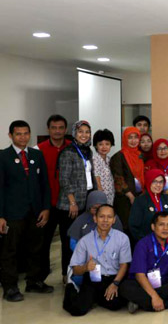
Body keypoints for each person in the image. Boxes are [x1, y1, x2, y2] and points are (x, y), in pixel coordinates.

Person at [0, 120, 53, 302]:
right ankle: (10, 287)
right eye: (18, 134)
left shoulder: (37, 155)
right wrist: (1, 216)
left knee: (35, 248)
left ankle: (34, 282)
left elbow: (45, 184)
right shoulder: (3, 156)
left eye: (26, 133)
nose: (23, 137)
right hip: (12, 213)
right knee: (10, 251)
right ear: (10, 136)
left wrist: (46, 208)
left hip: (35, 212)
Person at [120, 212, 168, 313]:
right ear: (153, 227)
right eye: (161, 224)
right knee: (125, 288)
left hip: (163, 281)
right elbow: (139, 275)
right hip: (143, 283)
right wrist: (154, 296)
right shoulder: (142, 244)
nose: (165, 228)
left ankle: (140, 302)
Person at [64, 203, 130, 316]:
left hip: (114, 278)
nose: (105, 220)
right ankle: (71, 289)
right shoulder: (84, 241)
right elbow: (75, 270)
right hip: (92, 279)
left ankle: (96, 298)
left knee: (115, 305)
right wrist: (85, 267)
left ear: (114, 220)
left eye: (109, 217)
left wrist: (115, 283)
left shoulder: (122, 238)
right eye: (101, 216)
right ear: (95, 218)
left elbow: (124, 265)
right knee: (77, 310)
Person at [57, 120, 97, 281]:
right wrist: (72, 202)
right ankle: (66, 274)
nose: (84, 135)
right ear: (74, 133)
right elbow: (64, 180)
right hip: (70, 205)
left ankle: (81, 272)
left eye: (87, 132)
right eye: (80, 131)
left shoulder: (88, 151)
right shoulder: (68, 152)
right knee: (69, 241)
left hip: (85, 202)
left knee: (83, 240)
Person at [37, 114, 71, 283]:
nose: (57, 131)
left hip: (67, 204)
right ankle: (41, 278)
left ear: (65, 129)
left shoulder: (72, 147)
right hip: (46, 205)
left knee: (68, 241)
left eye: (60, 128)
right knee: (43, 243)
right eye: (54, 128)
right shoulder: (38, 149)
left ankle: (67, 275)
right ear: (48, 129)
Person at [110, 127, 145, 234]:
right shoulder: (118, 157)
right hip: (125, 199)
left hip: (139, 196)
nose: (133, 141)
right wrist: (131, 196)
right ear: (125, 139)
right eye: (130, 137)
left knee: (138, 227)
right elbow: (118, 179)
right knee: (126, 228)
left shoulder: (140, 155)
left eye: (136, 137)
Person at [129, 169, 168, 242]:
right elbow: (133, 226)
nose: (158, 185)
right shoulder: (140, 201)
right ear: (148, 182)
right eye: (154, 181)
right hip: (147, 243)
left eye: (161, 182)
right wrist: (145, 243)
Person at [92, 129, 115, 204]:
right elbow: (96, 177)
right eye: (100, 144)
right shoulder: (95, 159)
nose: (104, 147)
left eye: (107, 144)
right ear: (96, 145)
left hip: (111, 194)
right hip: (101, 195)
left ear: (111, 145)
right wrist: (100, 193)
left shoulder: (110, 159)